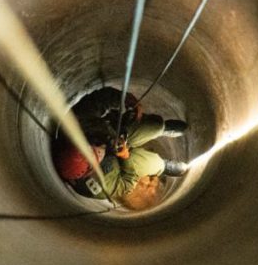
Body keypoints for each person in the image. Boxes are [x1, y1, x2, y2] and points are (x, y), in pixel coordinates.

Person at [53, 87, 190, 205]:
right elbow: (126, 184)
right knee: (146, 163)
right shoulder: (97, 186)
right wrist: (125, 157)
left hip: (114, 133)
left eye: (91, 144)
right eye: (95, 153)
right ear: (89, 170)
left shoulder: (75, 123)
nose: (98, 147)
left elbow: (98, 99)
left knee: (150, 127)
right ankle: (163, 166)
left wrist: (123, 99)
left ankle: (162, 128)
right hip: (121, 165)